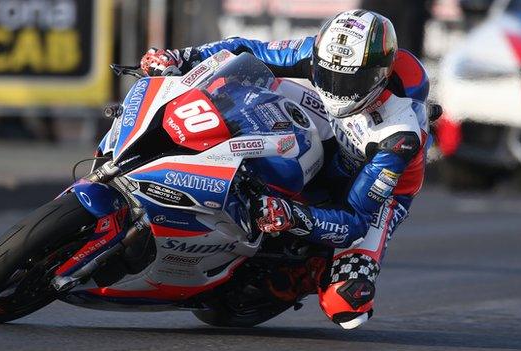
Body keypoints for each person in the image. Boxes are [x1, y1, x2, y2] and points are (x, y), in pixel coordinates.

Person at [139, 10, 430, 329]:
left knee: (347, 303)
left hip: (375, 186)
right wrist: (180, 58)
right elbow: (245, 49)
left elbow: (355, 221)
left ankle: (307, 269)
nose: (337, 88)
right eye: (329, 74)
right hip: (334, 132)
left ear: (380, 75)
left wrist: (294, 217)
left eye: (352, 80)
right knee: (246, 82)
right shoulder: (323, 52)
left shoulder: (399, 135)